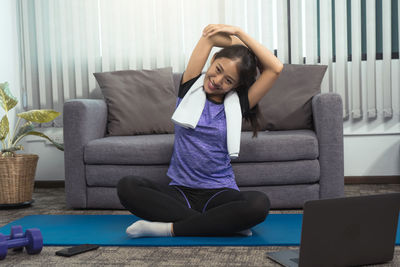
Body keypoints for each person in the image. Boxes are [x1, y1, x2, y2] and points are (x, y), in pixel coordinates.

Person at [117, 24, 283, 238]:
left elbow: (275, 68)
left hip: (220, 193)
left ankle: (168, 229)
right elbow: (209, 39)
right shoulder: (189, 87)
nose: (217, 81)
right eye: (218, 70)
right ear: (212, 61)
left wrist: (240, 33)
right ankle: (221, 224)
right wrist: (239, 43)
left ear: (237, 86)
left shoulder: (239, 104)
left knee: (259, 204)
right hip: (180, 192)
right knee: (127, 186)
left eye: (228, 80)